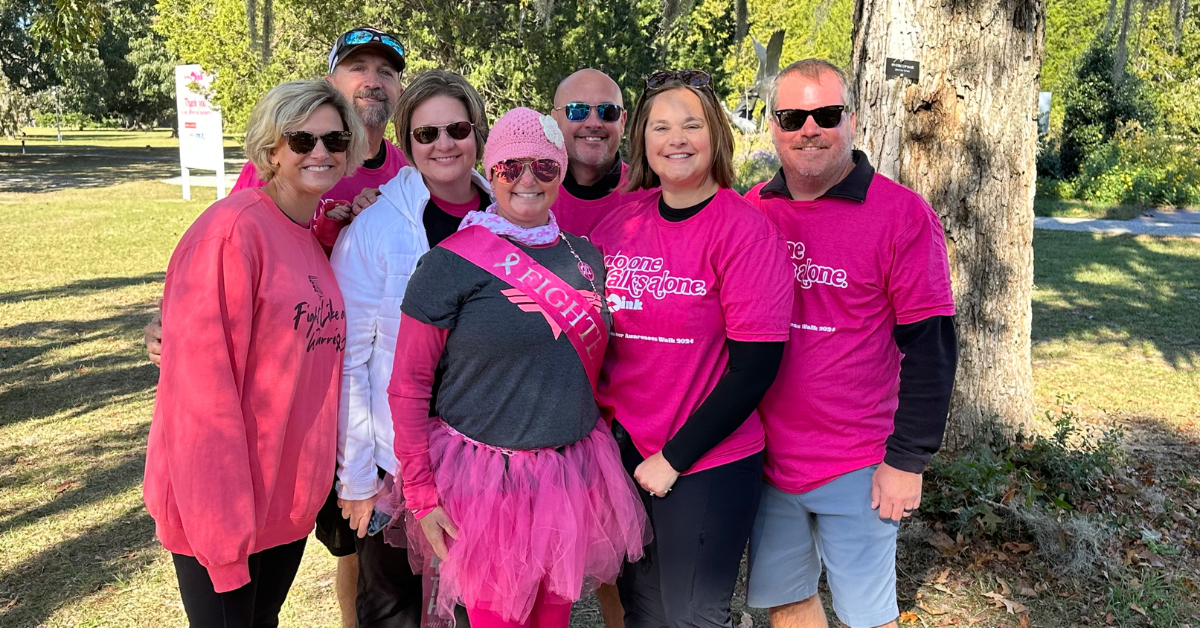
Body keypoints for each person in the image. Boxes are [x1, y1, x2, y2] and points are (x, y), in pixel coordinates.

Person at [145, 27, 411, 628]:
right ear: (269, 149)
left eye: (334, 141)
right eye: (302, 140)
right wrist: (223, 535)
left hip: (285, 506)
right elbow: (201, 398)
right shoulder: (234, 230)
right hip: (228, 516)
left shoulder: (313, 235)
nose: (320, 151)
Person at [387, 107, 650, 628]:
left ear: (560, 173)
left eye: (545, 167)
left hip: (568, 474)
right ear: (492, 170)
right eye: (510, 168)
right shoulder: (449, 262)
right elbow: (409, 386)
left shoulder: (586, 256)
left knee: (552, 618)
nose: (527, 180)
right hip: (484, 482)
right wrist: (419, 492)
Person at [742, 59, 958, 628]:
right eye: (792, 116)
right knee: (786, 601)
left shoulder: (902, 216)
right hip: (766, 457)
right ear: (773, 127)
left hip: (859, 462)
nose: (808, 128)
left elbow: (931, 348)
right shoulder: (751, 210)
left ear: (853, 121)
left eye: (826, 114)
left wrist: (907, 460)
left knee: (866, 617)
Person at [588, 70, 794, 628]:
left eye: (691, 124)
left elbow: (756, 368)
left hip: (707, 458)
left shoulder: (745, 232)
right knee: (643, 611)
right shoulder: (619, 225)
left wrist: (674, 459)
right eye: (661, 127)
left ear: (716, 136)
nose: (676, 138)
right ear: (643, 143)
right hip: (625, 451)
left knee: (693, 617)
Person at [328, 69, 492, 628]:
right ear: (408, 141)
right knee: (391, 611)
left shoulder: (510, 219)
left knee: (479, 605)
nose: (444, 144)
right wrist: (356, 479)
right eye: (426, 134)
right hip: (395, 462)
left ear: (478, 134)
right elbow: (350, 360)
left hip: (486, 458)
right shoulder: (374, 229)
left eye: (457, 128)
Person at [229, 26, 410, 252]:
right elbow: (234, 241)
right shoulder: (283, 159)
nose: (372, 83)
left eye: (385, 72)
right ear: (330, 84)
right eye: (358, 68)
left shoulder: (407, 175)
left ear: (400, 92)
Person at [548, 69, 652, 237]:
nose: (594, 123)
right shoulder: (531, 195)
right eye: (577, 110)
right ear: (555, 120)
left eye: (608, 111)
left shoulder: (654, 198)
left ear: (622, 122)